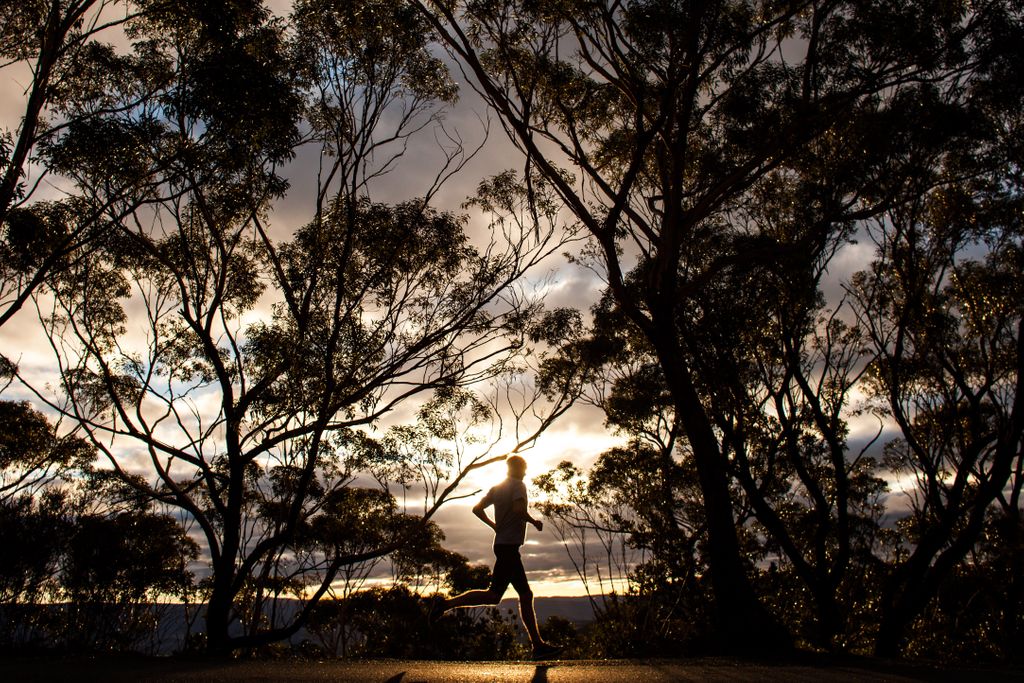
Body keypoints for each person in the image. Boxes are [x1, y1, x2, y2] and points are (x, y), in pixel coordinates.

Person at [436, 454, 562, 660]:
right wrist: (534, 521)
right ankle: (538, 646)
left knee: (510, 595)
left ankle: (538, 646)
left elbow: (477, 509)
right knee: (501, 595)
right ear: (518, 468)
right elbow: (519, 509)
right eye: (525, 468)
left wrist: (495, 526)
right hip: (509, 548)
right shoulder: (519, 486)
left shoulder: (497, 487)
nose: (526, 472)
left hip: (503, 545)